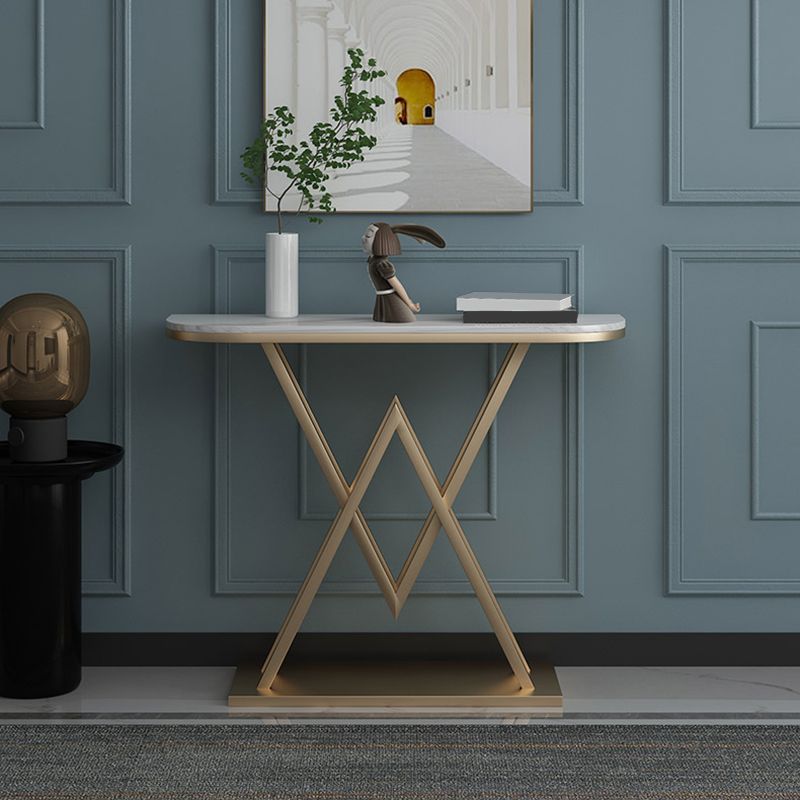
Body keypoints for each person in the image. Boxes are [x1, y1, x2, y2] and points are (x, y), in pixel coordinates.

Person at [361, 223, 446, 323]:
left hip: (390, 300)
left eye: (368, 235)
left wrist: (410, 304)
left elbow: (397, 285)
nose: (363, 238)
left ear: (381, 240)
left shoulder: (381, 264)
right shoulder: (373, 261)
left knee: (406, 319)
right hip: (384, 299)